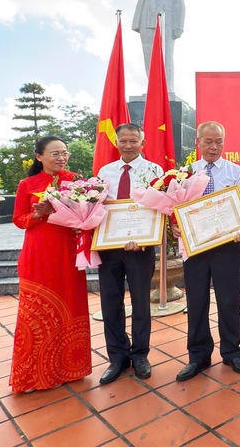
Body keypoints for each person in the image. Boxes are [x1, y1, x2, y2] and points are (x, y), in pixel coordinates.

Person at [9, 137, 92, 393]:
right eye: (54, 153)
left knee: (71, 304)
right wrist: (37, 214)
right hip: (39, 253)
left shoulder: (77, 181)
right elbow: (18, 219)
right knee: (37, 312)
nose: (61, 158)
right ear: (39, 156)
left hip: (68, 252)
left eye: (64, 153)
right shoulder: (28, 184)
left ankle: (71, 367)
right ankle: (35, 374)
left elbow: (87, 211)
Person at [176, 121, 240, 381]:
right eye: (208, 141)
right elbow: (175, 208)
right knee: (196, 302)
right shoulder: (185, 173)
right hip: (195, 248)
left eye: (218, 141)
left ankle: (232, 352)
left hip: (227, 247)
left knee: (230, 301)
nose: (214, 146)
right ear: (198, 142)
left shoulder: (236, 172)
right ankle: (198, 356)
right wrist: (175, 227)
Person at [96, 123, 163, 384]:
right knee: (111, 303)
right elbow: (98, 207)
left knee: (141, 303)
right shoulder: (105, 172)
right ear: (117, 143)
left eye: (133, 141)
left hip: (140, 247)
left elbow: (158, 207)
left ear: (142, 143)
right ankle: (117, 357)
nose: (128, 145)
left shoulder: (154, 171)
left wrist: (146, 238)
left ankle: (140, 355)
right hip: (109, 245)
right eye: (123, 140)